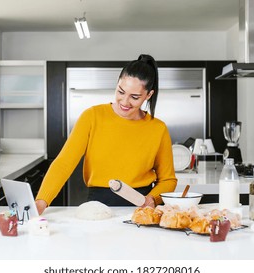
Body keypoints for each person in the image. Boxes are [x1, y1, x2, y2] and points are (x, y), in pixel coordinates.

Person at [35, 54, 177, 215]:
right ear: (117, 84)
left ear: (148, 95)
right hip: (98, 206)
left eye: (134, 97)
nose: (124, 101)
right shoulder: (92, 116)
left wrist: (152, 199)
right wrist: (41, 201)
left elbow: (168, 180)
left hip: (141, 207)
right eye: (121, 92)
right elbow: (63, 164)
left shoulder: (158, 128)